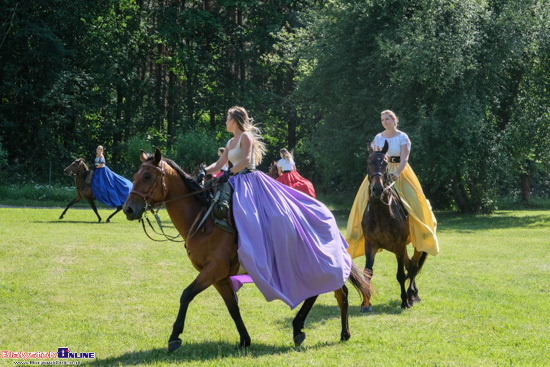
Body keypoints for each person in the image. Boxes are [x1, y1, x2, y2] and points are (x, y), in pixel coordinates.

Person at [202, 106, 352, 309]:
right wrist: (205, 171)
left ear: (235, 120)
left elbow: (246, 160)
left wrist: (230, 173)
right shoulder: (229, 142)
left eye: (227, 118)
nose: (225, 121)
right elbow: (220, 163)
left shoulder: (246, 137)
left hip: (250, 181)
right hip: (234, 181)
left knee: (259, 217)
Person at [346, 110, 439, 259]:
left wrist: (397, 174)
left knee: (415, 201)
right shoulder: (378, 137)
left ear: (394, 120)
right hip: (380, 172)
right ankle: (357, 234)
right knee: (361, 201)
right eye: (382, 119)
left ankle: (422, 233)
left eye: (387, 119)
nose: (384, 122)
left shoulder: (403, 137)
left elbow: (404, 159)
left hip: (400, 173)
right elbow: (374, 156)